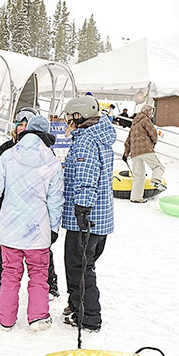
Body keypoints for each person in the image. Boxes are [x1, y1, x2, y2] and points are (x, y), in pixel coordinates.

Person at [0, 115, 64, 331]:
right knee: (38, 275)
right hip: (38, 229)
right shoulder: (52, 162)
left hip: (9, 229)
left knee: (10, 274)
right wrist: (54, 228)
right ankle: (38, 318)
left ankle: (6, 319)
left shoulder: (8, 156)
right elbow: (55, 200)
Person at [61, 94, 115, 331]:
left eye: (69, 117)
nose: (67, 122)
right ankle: (76, 303)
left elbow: (86, 176)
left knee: (79, 267)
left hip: (86, 218)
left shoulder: (85, 142)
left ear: (79, 115)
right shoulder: (99, 136)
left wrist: (82, 207)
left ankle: (88, 315)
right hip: (100, 217)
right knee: (83, 263)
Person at [123, 104, 165, 203]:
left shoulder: (134, 123)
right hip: (145, 149)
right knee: (158, 167)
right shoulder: (145, 120)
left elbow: (128, 140)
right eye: (150, 112)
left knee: (138, 176)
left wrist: (125, 154)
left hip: (134, 152)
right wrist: (153, 143)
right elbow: (153, 132)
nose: (151, 115)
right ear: (147, 112)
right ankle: (156, 180)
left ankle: (136, 197)